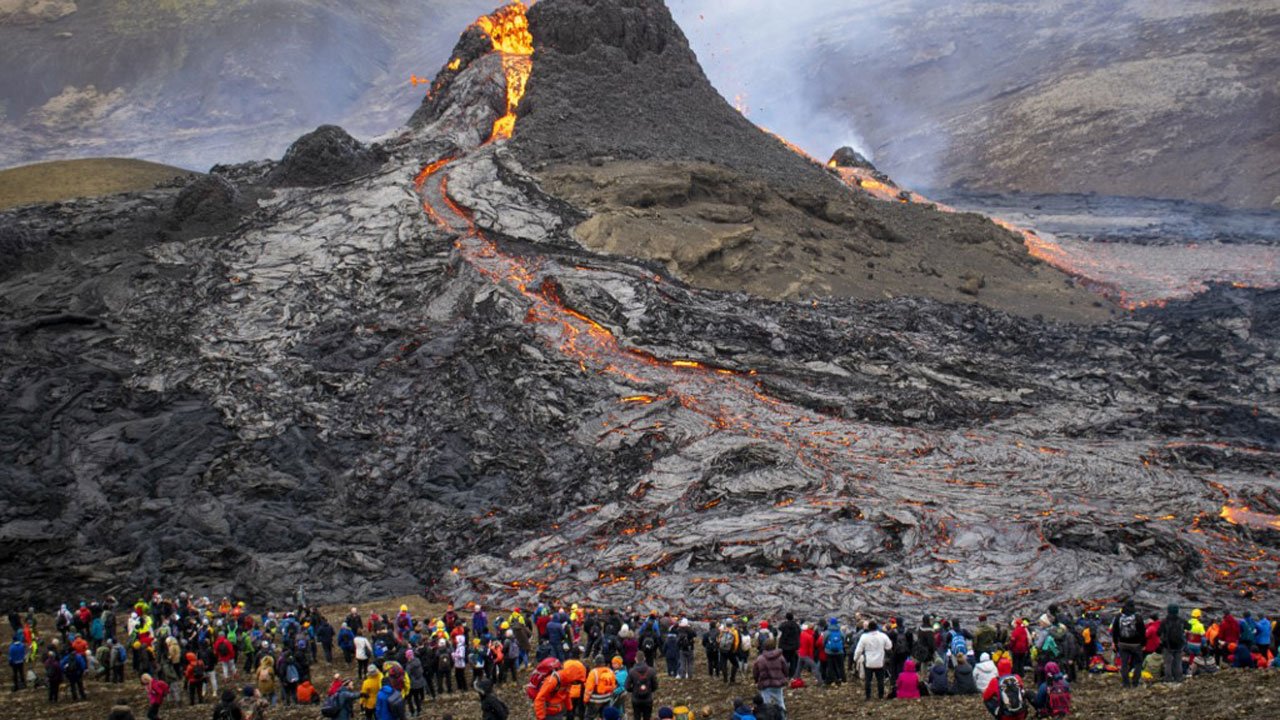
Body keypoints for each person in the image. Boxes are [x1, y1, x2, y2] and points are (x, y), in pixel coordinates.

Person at [851, 620, 892, 700]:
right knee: (880, 680)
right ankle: (880, 696)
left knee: (868, 680)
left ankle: (868, 696)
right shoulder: (883, 636)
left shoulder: (864, 637)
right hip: (880, 661)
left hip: (869, 662)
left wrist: (855, 659)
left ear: (868, 628)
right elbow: (889, 646)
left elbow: (859, 650)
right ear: (877, 627)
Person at [1110, 601, 1145, 689]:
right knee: (1138, 663)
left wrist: (1116, 642)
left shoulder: (1118, 616)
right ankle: (1135, 682)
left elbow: (1115, 631)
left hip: (1123, 643)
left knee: (1124, 664)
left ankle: (1126, 683)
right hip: (1136, 644)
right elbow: (1142, 631)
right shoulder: (1137, 616)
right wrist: (1143, 643)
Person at [750, 639, 787, 713]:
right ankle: (783, 717)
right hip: (778, 683)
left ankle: (768, 717)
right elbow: (785, 669)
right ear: (774, 646)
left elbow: (755, 671)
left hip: (765, 684)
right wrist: (784, 677)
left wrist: (756, 680)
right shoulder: (780, 657)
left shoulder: (760, 659)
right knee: (780, 701)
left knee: (766, 704)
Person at [1159, 605, 1186, 683]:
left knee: (1168, 663)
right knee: (1178, 662)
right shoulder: (1181, 620)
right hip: (1179, 645)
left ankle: (1168, 679)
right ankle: (1178, 678)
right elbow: (1189, 627)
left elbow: (1158, 632)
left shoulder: (1164, 621)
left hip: (1167, 645)